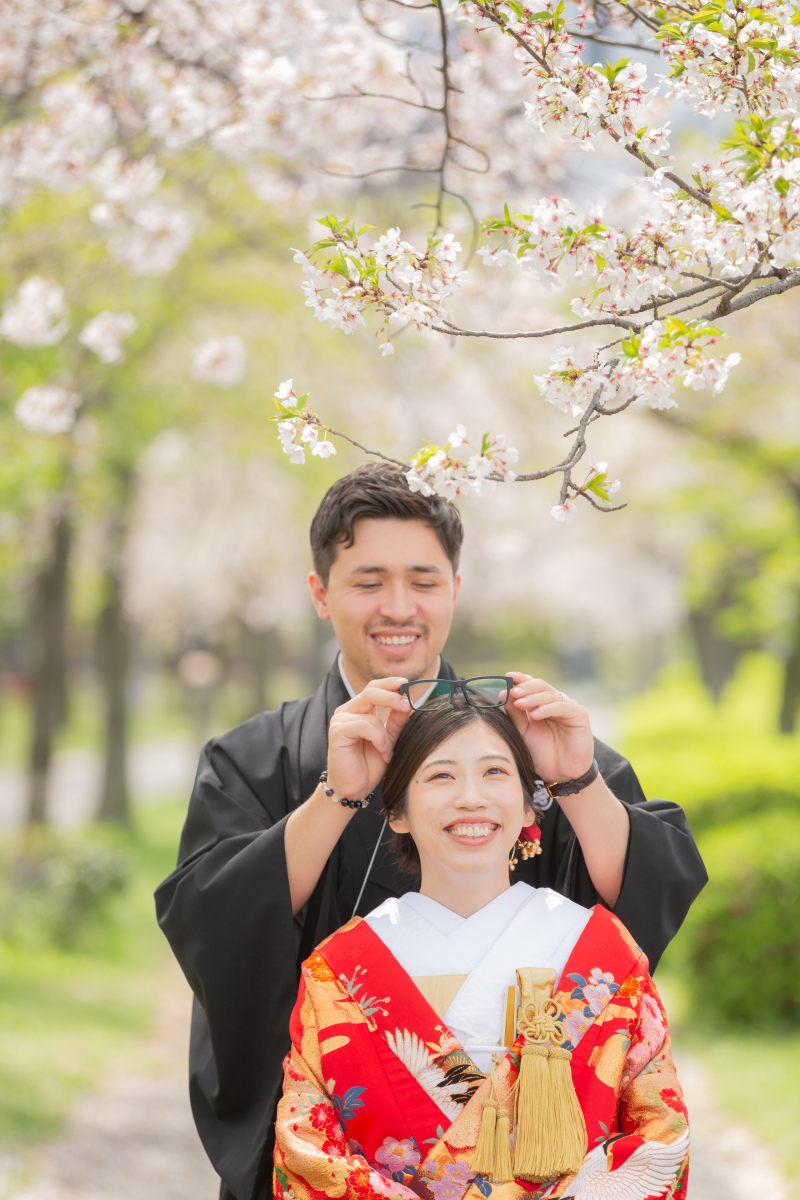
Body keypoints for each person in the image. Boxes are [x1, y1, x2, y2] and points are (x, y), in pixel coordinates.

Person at [155, 463, 705, 1200]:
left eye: (423, 580)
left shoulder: (522, 738)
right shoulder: (260, 758)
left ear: (455, 587)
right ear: (320, 593)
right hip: (338, 1165)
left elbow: (646, 895)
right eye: (368, 581)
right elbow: (213, 924)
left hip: (537, 1168)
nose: (398, 607)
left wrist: (574, 782)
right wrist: (334, 795)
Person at [275, 698, 689, 1200]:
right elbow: (307, 1149)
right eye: (441, 776)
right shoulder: (341, 968)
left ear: (528, 801)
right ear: (396, 810)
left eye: (495, 771)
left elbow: (659, 1132)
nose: (471, 797)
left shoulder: (601, 951)